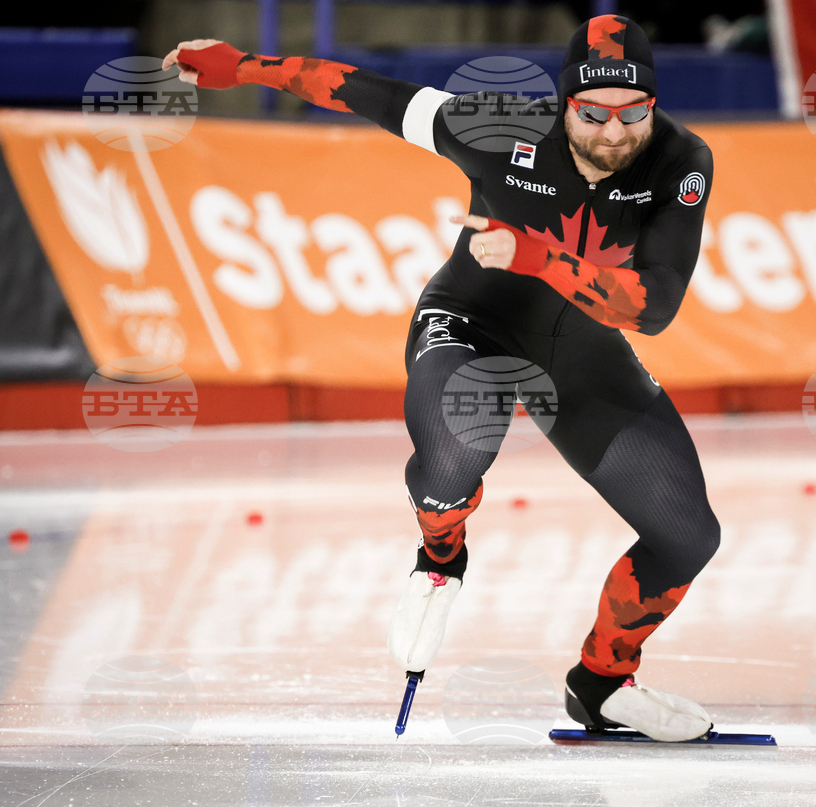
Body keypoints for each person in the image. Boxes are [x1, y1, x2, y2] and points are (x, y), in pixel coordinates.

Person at [165, 13, 719, 742]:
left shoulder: (681, 160)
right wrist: (242, 66)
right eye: (592, 115)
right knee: (458, 446)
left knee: (686, 536)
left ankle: (601, 681)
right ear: (563, 105)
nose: (615, 135)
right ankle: (441, 553)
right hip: (472, 322)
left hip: (581, 350)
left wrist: (537, 257)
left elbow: (654, 308)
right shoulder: (493, 128)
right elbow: (361, 89)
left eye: (633, 114)